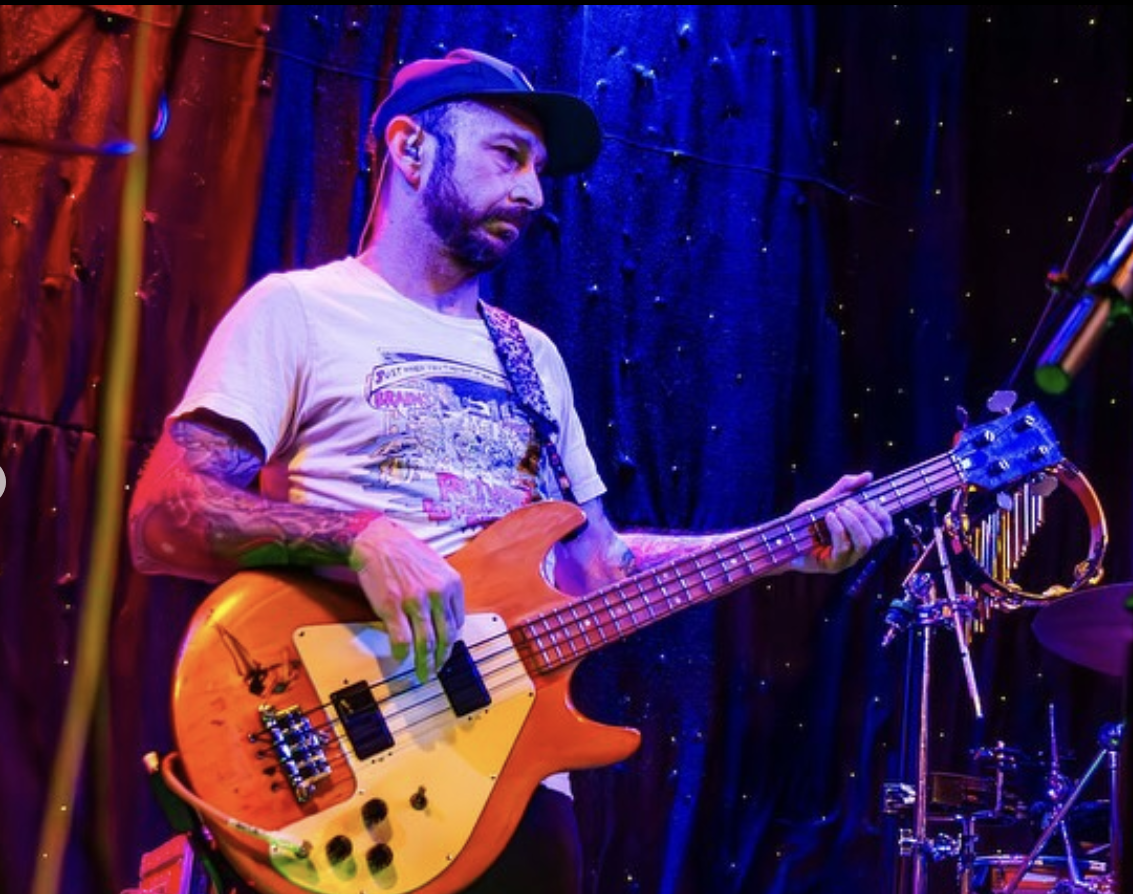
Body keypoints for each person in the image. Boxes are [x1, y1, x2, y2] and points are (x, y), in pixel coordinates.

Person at [127, 47, 895, 894]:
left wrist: (781, 544)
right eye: (507, 156)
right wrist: (360, 537)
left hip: (514, 779)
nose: (532, 192)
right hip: (340, 757)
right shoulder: (300, 310)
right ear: (411, 150)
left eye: (539, 169)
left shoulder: (533, 358)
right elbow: (165, 515)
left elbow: (597, 567)